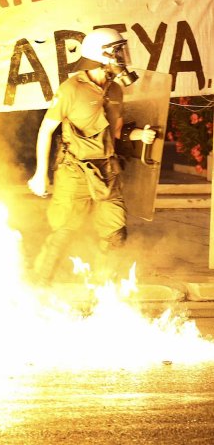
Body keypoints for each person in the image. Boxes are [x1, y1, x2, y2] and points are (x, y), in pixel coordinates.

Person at [27, 27, 156, 284]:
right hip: (74, 171)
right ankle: (39, 286)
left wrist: (140, 135)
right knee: (64, 232)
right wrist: (40, 174)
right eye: (116, 51)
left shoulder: (116, 91)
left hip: (107, 171)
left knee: (115, 234)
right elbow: (46, 130)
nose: (121, 56)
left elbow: (117, 133)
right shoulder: (71, 89)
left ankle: (102, 289)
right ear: (100, 54)